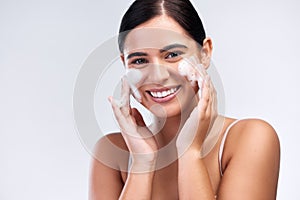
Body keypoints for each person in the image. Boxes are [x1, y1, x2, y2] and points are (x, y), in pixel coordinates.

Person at [89, 0, 280, 199]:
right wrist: (142, 163)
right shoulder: (111, 153)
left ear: (204, 53)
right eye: (139, 60)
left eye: (172, 54)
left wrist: (190, 152)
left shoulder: (249, 138)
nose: (157, 76)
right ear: (124, 64)